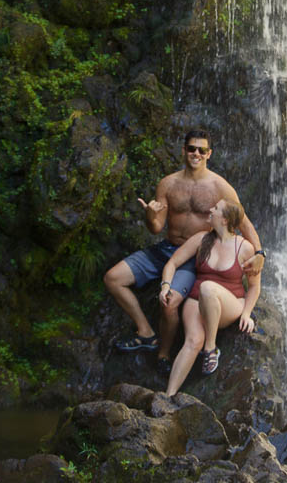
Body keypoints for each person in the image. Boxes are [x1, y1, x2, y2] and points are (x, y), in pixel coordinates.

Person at [103, 128, 266, 372]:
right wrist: (150, 216)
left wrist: (260, 254)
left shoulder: (220, 188)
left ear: (209, 154)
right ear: (184, 150)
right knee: (112, 278)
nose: (196, 154)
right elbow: (156, 227)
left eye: (202, 150)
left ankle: (163, 355)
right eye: (192, 148)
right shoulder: (168, 184)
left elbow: (244, 223)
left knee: (169, 302)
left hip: (195, 256)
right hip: (166, 249)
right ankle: (146, 332)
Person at [160, 198, 260, 395]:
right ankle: (167, 396)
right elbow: (172, 263)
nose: (210, 209)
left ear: (224, 220)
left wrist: (247, 313)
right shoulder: (201, 239)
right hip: (197, 301)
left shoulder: (245, 248)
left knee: (208, 287)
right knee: (192, 341)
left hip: (228, 304)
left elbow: (255, 287)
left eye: (216, 208)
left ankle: (210, 349)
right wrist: (165, 286)